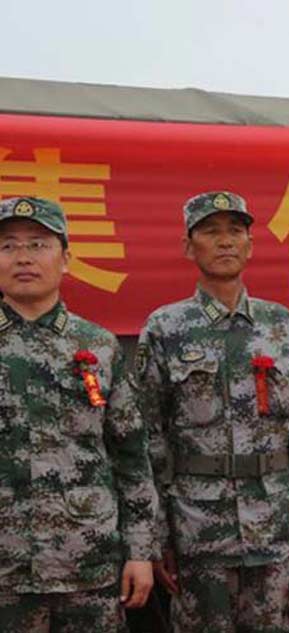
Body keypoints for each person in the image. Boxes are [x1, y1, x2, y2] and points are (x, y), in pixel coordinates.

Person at [134, 191, 289, 633]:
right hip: (198, 525)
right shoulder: (166, 328)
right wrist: (157, 535)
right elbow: (147, 438)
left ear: (251, 245)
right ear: (188, 246)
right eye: (210, 232)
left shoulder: (281, 324)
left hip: (273, 520)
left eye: (235, 231)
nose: (224, 242)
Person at [0, 197, 158, 632]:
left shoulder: (100, 346)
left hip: (89, 565)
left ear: (66, 259)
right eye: (9, 246)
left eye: (38, 244)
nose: (24, 258)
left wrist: (140, 552)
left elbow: (131, 457)